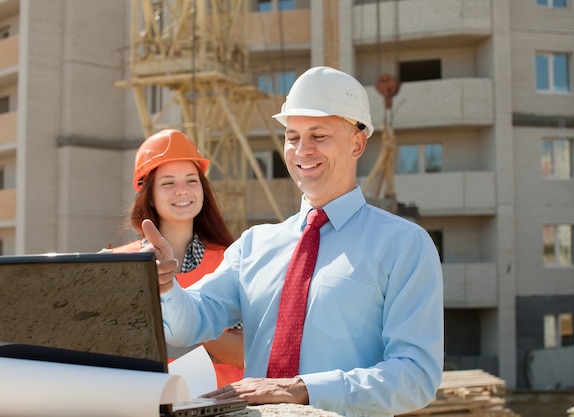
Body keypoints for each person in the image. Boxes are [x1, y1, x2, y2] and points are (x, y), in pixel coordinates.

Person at [144, 67, 444, 417]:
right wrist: (166, 286)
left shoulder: (403, 245)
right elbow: (189, 324)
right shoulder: (255, 244)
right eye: (292, 136)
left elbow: (416, 377)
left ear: (357, 143)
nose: (302, 150)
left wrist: (302, 389)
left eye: (318, 135)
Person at [109, 128, 244, 388]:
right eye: (168, 182)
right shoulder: (120, 264)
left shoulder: (232, 260)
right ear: (149, 193)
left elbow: (245, 354)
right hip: (144, 401)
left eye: (191, 180)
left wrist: (183, 318)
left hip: (221, 403)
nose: (182, 190)